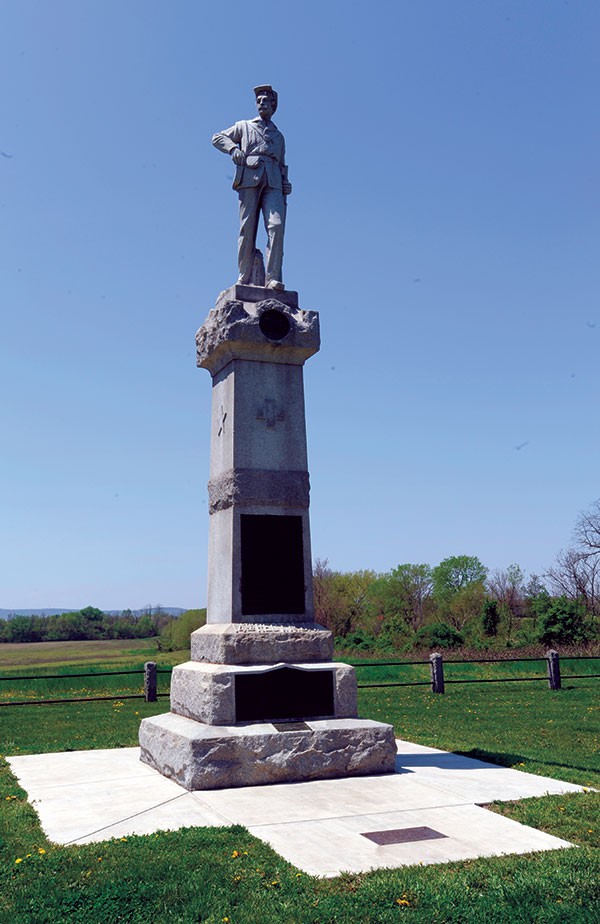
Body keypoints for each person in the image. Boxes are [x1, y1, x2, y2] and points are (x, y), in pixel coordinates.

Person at [212, 85, 292, 290]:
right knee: (247, 228)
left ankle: (273, 277)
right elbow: (218, 137)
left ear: (273, 106)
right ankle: (244, 276)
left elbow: (282, 165)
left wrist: (285, 184)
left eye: (265, 101)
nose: (261, 104)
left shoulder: (279, 136)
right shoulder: (244, 126)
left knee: (276, 226)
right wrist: (232, 149)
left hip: (274, 182)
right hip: (250, 176)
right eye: (258, 101)